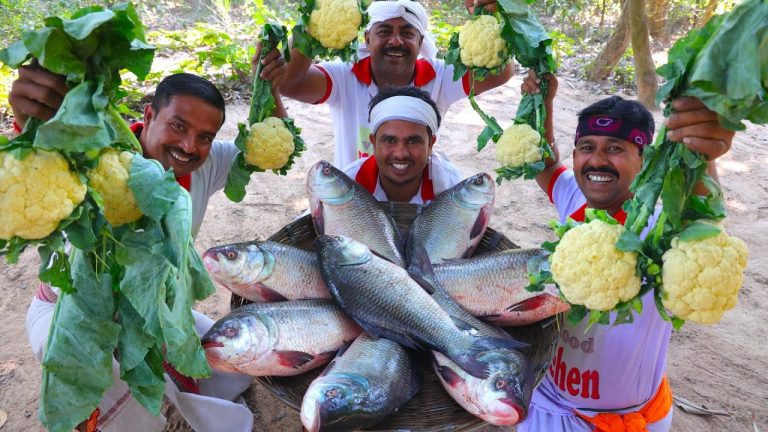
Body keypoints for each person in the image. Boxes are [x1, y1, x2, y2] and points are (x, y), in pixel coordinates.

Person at [11, 46, 287, 432]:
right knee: (122, 411)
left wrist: (270, 86)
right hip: (72, 317)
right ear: (149, 115)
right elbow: (41, 159)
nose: (189, 145)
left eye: (204, 136)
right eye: (178, 126)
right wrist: (28, 114)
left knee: (235, 363)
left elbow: (269, 147)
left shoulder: (204, 163)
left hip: (152, 315)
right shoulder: (99, 160)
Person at [517, 70, 735, 432]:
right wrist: (543, 101)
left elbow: (705, 212)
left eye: (615, 149)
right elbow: (543, 163)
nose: (597, 161)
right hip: (548, 404)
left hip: (624, 418)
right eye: (587, 147)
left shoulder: (664, 223)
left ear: (645, 158)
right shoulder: (574, 196)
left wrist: (704, 151)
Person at [278, 0, 510, 169]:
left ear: (420, 42)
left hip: (415, 201)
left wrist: (490, 19)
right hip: (353, 201)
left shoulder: (439, 75)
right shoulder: (344, 76)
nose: (396, 41)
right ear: (368, 39)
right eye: (385, 31)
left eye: (408, 33)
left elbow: (500, 73)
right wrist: (313, 23)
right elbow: (288, 84)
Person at [343, 85, 461, 204]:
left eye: (413, 141)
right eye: (390, 140)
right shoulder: (346, 185)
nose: (400, 154)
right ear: (374, 143)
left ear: (430, 145)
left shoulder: (451, 187)